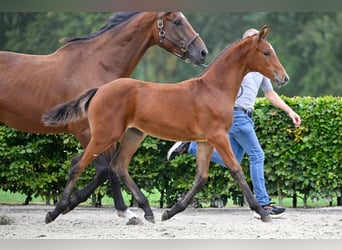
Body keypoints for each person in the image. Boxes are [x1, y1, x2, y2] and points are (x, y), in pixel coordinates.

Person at [167, 28, 302, 218]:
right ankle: (263, 204)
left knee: (234, 159)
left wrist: (290, 111)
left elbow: (270, 94)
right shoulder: (239, 65)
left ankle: (189, 146)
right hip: (237, 115)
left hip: (246, 115)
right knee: (257, 155)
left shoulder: (260, 67)